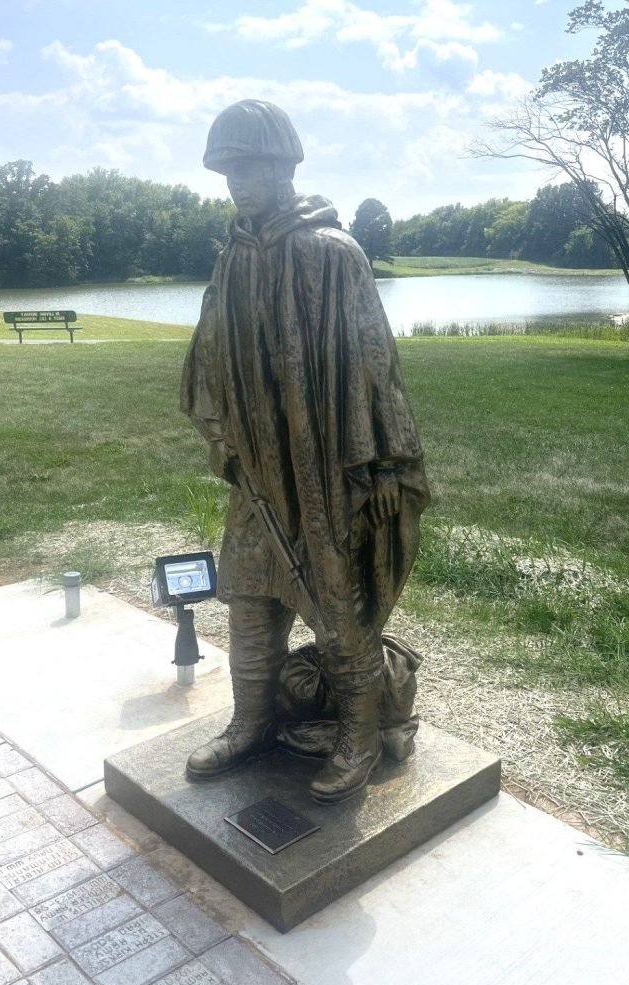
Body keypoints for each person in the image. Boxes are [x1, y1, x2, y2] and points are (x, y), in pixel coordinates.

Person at [180, 99, 429, 803]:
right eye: (229, 170)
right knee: (250, 600)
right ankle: (250, 722)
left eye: (252, 166)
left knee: (336, 606)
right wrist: (222, 436)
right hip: (258, 470)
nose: (240, 183)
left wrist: (381, 461)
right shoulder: (231, 261)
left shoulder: (331, 253)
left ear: (284, 167)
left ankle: (357, 736)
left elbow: (373, 361)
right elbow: (207, 355)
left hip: (323, 472)